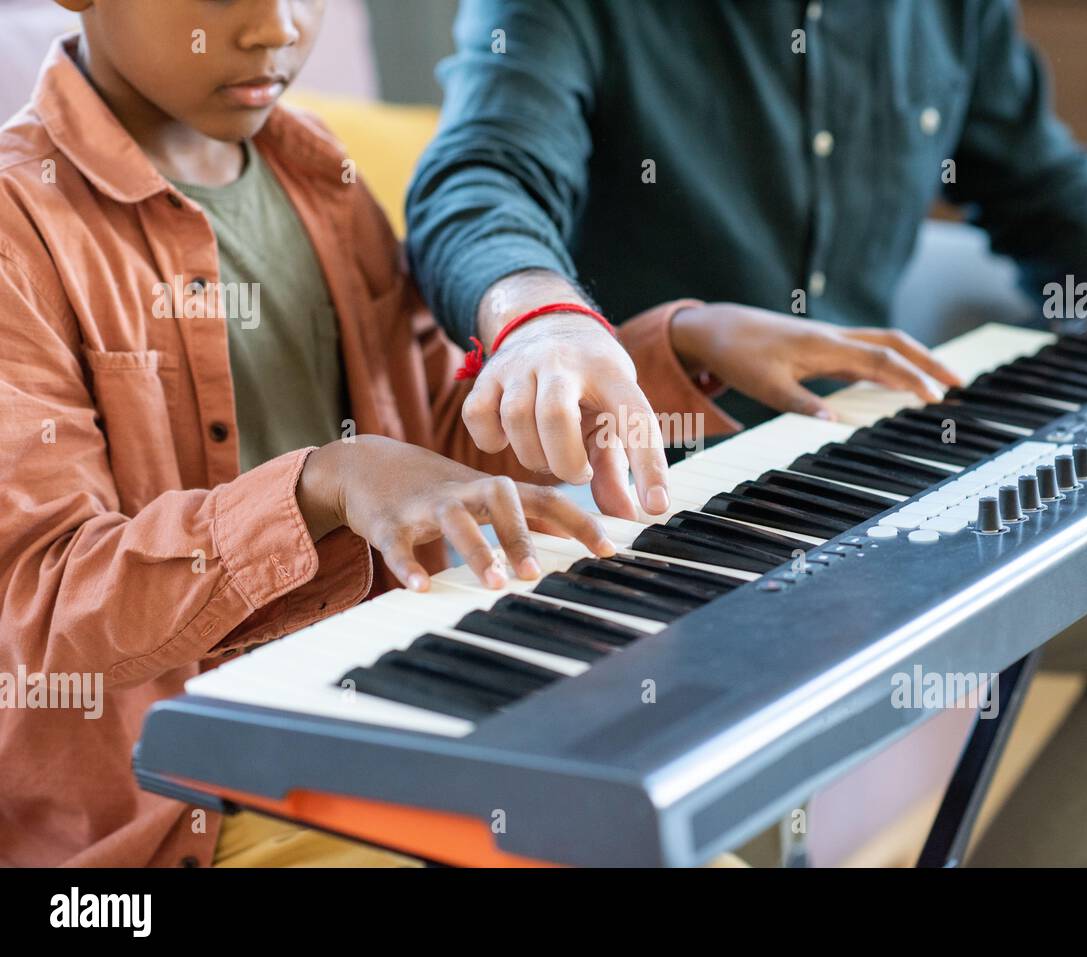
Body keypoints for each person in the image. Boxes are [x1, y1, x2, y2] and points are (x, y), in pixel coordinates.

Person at [0, 0, 944, 868]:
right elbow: (39, 612)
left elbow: (434, 449)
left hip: (398, 714)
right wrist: (325, 482)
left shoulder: (312, 168)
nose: (276, 26)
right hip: (189, 808)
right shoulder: (19, 229)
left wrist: (676, 346)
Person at [406, 0, 1087, 865]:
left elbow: (1048, 195)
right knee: (706, 764)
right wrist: (544, 317)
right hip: (653, 528)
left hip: (881, 480)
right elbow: (481, 172)